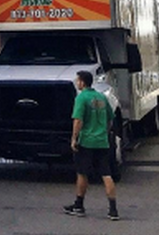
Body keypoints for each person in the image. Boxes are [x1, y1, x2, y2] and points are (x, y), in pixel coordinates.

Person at [64, 70, 119, 221]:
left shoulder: (81, 98)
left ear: (82, 82)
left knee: (82, 173)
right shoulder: (101, 97)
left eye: (78, 80)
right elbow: (110, 118)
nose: (76, 83)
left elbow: (78, 120)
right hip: (102, 141)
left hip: (87, 141)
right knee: (106, 174)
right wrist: (104, 132)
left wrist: (74, 138)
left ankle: (79, 205)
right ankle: (113, 209)